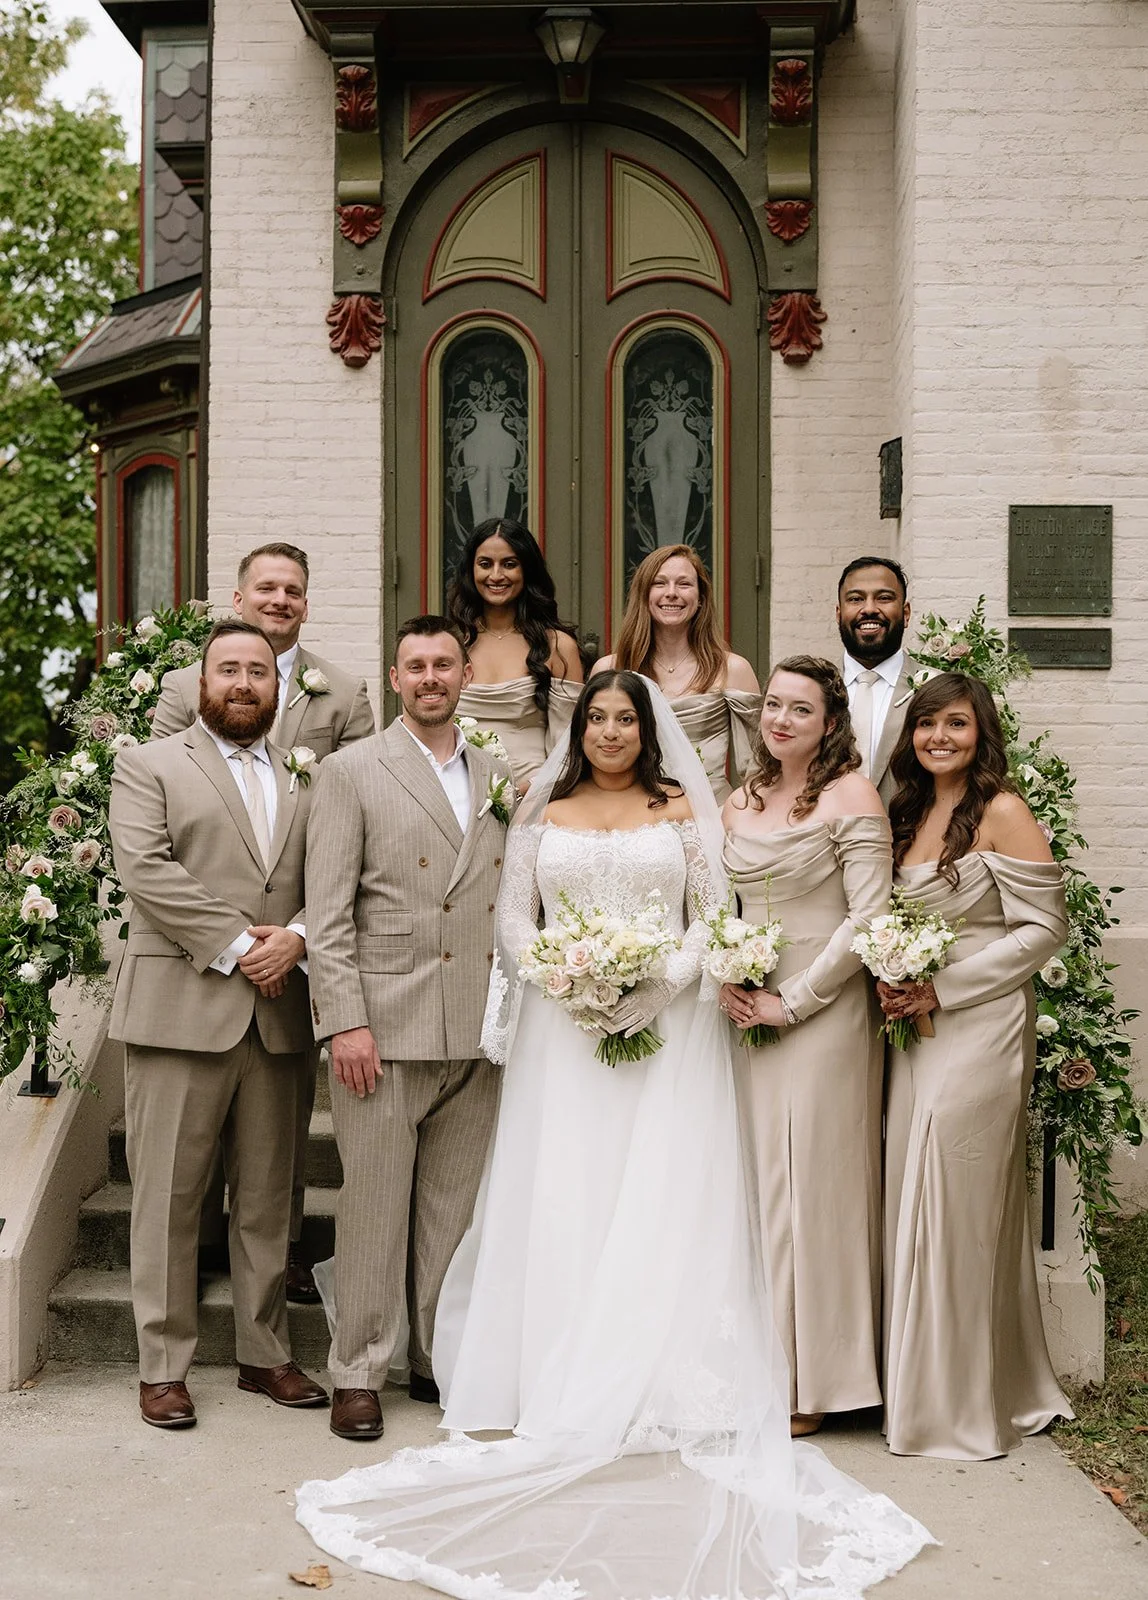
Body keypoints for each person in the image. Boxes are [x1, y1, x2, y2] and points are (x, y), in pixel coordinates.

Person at [295, 673, 933, 1597]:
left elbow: (712, 914)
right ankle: (554, 1367)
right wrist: (568, 983)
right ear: (579, 728)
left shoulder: (682, 810)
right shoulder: (542, 809)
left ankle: (656, 1372)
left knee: (659, 1190)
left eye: (625, 718)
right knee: (568, 1188)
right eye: (595, 718)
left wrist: (655, 986)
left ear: (647, 729)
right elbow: (514, 919)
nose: (608, 731)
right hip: (563, 1036)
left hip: (666, 1035)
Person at [107, 620, 327, 1428]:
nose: (242, 683)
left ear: (279, 686)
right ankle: (163, 1366)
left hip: (280, 1015)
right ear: (202, 685)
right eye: (227, 669)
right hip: (182, 1010)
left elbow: (339, 874)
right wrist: (241, 948)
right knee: (169, 1196)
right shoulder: (149, 764)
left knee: (268, 1199)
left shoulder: (310, 775)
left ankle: (265, 1353)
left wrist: (297, 935)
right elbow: (146, 869)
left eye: (258, 672)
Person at [152, 541, 375, 1305]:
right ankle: (195, 1257)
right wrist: (232, 938)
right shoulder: (183, 686)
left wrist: (300, 934)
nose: (280, 599)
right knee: (188, 1137)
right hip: (201, 951)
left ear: (307, 604)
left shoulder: (343, 693)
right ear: (239, 598)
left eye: (293, 590)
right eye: (267, 588)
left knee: (279, 1134)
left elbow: (357, 818)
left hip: (294, 944)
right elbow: (164, 810)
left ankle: (276, 1259)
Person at [304, 616, 509, 1443]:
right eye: (415, 665)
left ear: (465, 675)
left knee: (451, 1209)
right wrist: (344, 1021)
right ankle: (358, 1370)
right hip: (384, 1028)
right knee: (374, 1207)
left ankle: (434, 1354)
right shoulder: (351, 770)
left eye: (444, 664)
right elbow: (328, 912)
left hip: (477, 1028)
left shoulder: (497, 774)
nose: (431, 677)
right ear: (394, 678)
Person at [879, 672, 1073, 1459]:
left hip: (981, 1022)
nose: (939, 738)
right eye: (927, 724)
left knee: (957, 1199)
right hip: (912, 1027)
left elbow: (1045, 928)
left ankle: (957, 1405)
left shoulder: (1002, 811)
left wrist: (944, 986)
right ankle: (928, 1385)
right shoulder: (907, 810)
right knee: (916, 1191)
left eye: (955, 724)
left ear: (980, 731)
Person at [721, 656, 890, 1438]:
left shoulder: (851, 795)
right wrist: (726, 975)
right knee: (759, 1187)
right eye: (773, 705)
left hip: (822, 1010)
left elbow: (868, 917)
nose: (781, 720)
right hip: (747, 1012)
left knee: (814, 1189)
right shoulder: (742, 798)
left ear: (830, 723)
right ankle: (757, 1364)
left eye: (800, 709)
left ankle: (814, 1378)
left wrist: (794, 1001)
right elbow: (723, 906)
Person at [594, 544, 760, 800]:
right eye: (659, 583)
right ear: (644, 595)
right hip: (632, 809)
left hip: (710, 809)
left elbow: (758, 764)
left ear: (701, 598)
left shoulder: (733, 670)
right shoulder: (609, 669)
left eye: (684, 584)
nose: (671, 593)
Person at [447, 517, 583, 785]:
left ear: (527, 570)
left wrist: (530, 792)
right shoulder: (451, 643)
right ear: (470, 570)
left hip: (537, 791)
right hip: (458, 787)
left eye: (509, 564)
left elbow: (569, 745)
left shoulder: (557, 646)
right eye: (485, 564)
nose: (496, 575)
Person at [836, 556, 918, 807]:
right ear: (838, 614)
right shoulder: (813, 689)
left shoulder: (936, 688)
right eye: (855, 599)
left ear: (905, 613)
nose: (869, 609)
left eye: (884, 598)